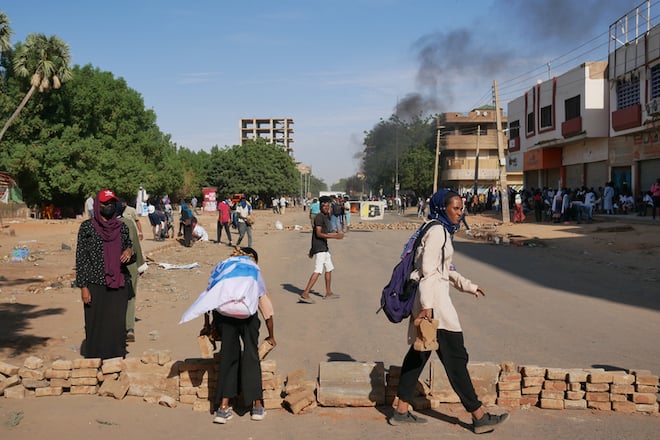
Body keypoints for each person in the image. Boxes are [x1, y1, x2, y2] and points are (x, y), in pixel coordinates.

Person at [389, 189, 509, 434]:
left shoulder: (437, 229)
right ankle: (478, 415)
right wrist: (427, 308)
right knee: (455, 358)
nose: (460, 212)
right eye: (455, 208)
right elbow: (428, 272)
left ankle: (401, 409)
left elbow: (445, 269)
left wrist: (468, 285)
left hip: (430, 303)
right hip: (435, 306)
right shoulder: (437, 232)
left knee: (419, 355)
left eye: (461, 207)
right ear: (443, 208)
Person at [178, 247, 275, 424]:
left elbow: (209, 297)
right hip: (247, 317)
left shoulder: (223, 268)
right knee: (251, 356)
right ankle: (257, 406)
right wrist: (271, 335)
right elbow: (265, 307)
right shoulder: (253, 270)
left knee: (228, 357)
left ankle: (222, 408)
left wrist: (207, 325)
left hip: (225, 318)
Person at [75, 189, 135, 359]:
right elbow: (81, 258)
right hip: (95, 284)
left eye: (111, 203)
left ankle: (116, 360)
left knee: (116, 324)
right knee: (95, 323)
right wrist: (83, 287)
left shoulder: (122, 227)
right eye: (105, 204)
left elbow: (129, 249)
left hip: (118, 283)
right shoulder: (87, 228)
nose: (109, 207)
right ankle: (95, 358)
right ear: (97, 205)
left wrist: (129, 251)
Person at [299, 196, 344, 304]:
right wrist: (335, 237)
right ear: (320, 207)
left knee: (329, 268)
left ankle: (328, 293)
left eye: (328, 206)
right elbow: (318, 234)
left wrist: (311, 250)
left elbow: (318, 234)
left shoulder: (325, 216)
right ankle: (305, 293)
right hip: (320, 248)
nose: (326, 208)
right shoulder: (319, 217)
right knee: (318, 270)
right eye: (324, 206)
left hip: (323, 247)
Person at [116, 199, 146, 343]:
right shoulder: (128, 223)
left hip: (110, 266)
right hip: (130, 265)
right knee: (130, 296)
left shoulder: (100, 225)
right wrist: (141, 266)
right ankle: (129, 328)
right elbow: (136, 246)